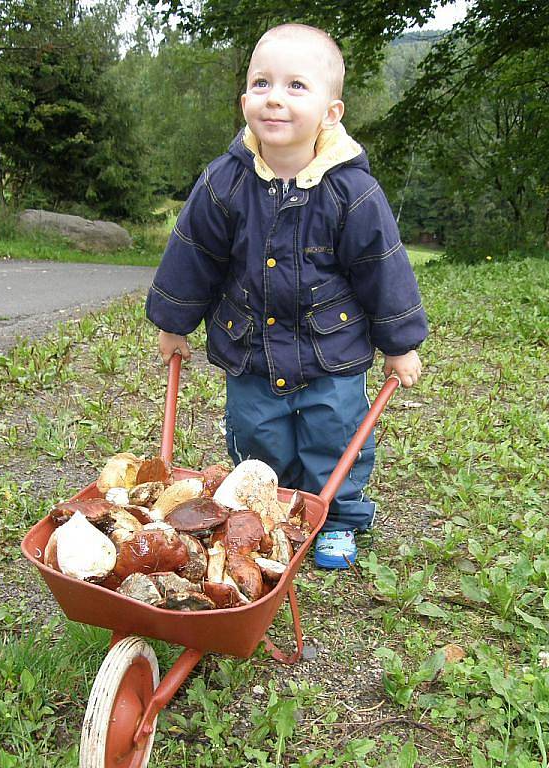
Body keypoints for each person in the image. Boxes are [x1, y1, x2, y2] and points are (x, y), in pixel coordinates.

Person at [146, 23, 428, 569]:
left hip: (333, 355)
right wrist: (173, 322)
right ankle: (268, 516)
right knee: (257, 438)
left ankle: (336, 517)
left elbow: (382, 269)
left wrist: (400, 343)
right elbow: (192, 255)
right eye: (261, 83)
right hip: (250, 351)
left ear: (331, 112)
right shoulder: (224, 182)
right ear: (245, 99)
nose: (274, 97)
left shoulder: (353, 191)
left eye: (296, 86)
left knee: (334, 438)